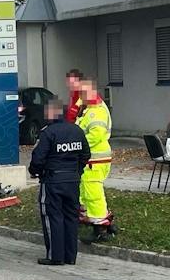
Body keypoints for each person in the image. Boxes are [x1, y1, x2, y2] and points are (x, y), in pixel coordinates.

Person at [29, 97, 89, 265]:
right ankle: (70, 257)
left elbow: (38, 159)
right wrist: (77, 171)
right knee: (71, 217)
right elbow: (85, 154)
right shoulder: (77, 131)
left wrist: (35, 172)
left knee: (52, 217)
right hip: (72, 181)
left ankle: (55, 256)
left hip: (52, 181)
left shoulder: (48, 132)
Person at [76, 78, 116, 241]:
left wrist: (78, 144)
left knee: (93, 194)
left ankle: (100, 229)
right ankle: (104, 222)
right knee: (88, 192)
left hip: (94, 158)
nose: (80, 96)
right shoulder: (89, 106)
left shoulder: (96, 111)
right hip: (93, 159)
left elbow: (95, 135)